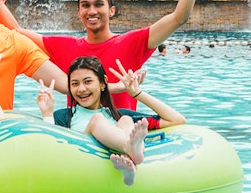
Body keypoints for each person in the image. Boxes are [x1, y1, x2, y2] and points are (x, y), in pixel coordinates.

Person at [0, 0, 205, 110]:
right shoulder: (64, 46)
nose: (92, 11)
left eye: (99, 5)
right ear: (79, 12)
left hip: (121, 133)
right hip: (81, 137)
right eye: (85, 6)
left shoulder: (133, 42)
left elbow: (180, 17)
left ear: (111, 10)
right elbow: (16, 32)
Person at [36, 57, 185, 186]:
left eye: (88, 82)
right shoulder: (65, 116)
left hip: (118, 160)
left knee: (126, 120)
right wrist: (47, 113)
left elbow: (177, 120)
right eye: (75, 84)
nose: (81, 89)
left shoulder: (117, 115)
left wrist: (137, 93)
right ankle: (130, 149)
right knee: (97, 120)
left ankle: (129, 165)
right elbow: (47, 150)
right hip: (81, 160)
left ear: (103, 84)